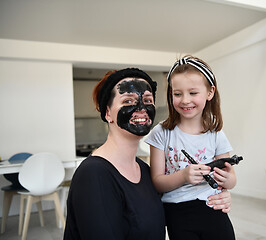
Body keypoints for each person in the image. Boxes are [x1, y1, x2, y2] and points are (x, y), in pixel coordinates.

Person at [64, 67, 232, 240]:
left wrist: (217, 197)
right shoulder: (93, 174)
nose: (141, 108)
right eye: (128, 101)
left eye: (147, 100)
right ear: (107, 113)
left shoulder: (145, 172)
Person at [146, 55, 237, 240]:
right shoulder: (161, 133)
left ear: (210, 93)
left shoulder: (216, 133)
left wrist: (226, 179)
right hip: (177, 212)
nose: (185, 100)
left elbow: (231, 180)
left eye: (193, 93)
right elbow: (156, 182)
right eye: (177, 94)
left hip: (213, 208)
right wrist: (183, 176)